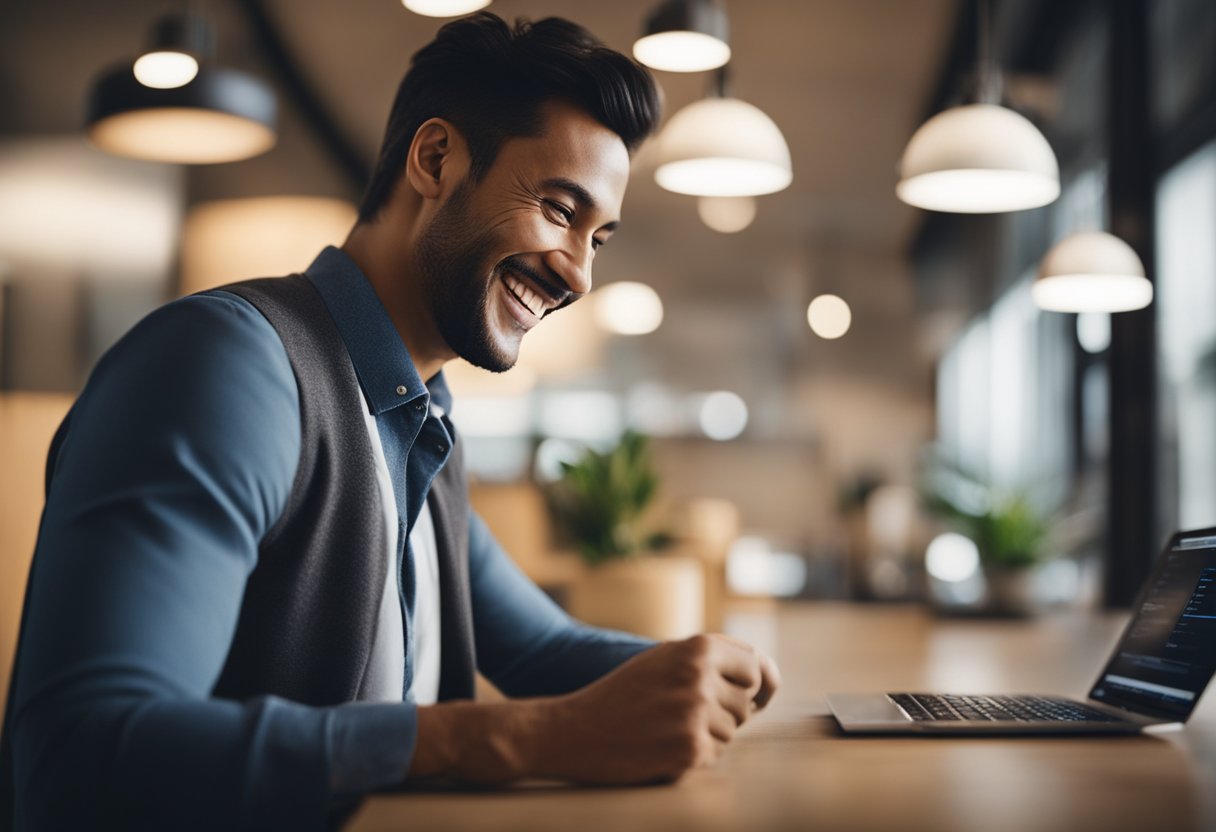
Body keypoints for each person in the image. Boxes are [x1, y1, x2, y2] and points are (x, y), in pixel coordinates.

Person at [1, 13, 779, 830]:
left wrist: (708, 675)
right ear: (436, 159)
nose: (580, 273)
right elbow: (81, 758)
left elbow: (543, 650)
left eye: (599, 237)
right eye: (558, 208)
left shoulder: (418, 420)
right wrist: (516, 739)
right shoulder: (226, 367)